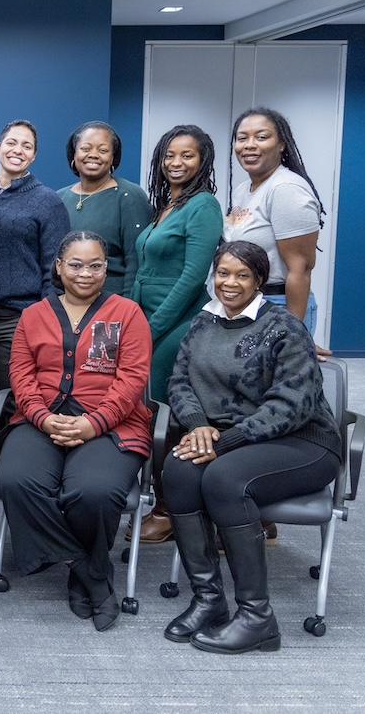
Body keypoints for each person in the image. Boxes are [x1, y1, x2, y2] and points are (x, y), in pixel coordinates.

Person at [162, 240, 340, 654]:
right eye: (223, 273)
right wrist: (199, 427)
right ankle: (209, 601)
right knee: (178, 471)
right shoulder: (203, 323)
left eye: (242, 275)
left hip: (303, 442)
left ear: (259, 281)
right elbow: (180, 382)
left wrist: (223, 442)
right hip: (227, 439)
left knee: (226, 480)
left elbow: (291, 407)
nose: (230, 283)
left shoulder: (284, 328)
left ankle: (258, 618)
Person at [0, 231, 152, 632]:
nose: (86, 273)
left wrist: (91, 424)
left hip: (110, 425)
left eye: (96, 265)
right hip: (41, 420)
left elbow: (132, 379)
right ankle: (88, 570)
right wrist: (43, 418)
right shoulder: (33, 315)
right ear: (60, 267)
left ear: (106, 268)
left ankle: (82, 573)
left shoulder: (128, 313)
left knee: (93, 490)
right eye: (77, 264)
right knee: (16, 480)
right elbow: (21, 375)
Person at [129, 125, 224, 544]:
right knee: (147, 410)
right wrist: (132, 318)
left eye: (187, 155)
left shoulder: (203, 206)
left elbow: (191, 278)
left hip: (178, 320)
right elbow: (145, 270)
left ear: (203, 160)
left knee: (164, 414)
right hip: (147, 317)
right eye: (169, 155)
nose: (176, 163)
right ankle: (160, 499)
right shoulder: (165, 205)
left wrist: (149, 329)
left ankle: (170, 510)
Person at [0, 120, 71, 481]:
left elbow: (57, 266)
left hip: (17, 316)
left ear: (34, 155)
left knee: (10, 397)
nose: (17, 150)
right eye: (11, 143)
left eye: (27, 146)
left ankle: (4, 472)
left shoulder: (46, 201)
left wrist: (44, 318)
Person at [222, 107, 326, 334]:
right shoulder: (242, 190)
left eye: (261, 137)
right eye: (242, 138)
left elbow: (301, 269)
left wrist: (293, 332)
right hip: (246, 303)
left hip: (278, 305)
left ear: (281, 144)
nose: (249, 144)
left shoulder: (286, 189)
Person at [57, 121, 154, 297]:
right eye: (86, 148)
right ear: (74, 153)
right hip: (66, 304)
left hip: (112, 303)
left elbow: (136, 261)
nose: (93, 155)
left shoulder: (129, 196)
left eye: (103, 150)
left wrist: (127, 308)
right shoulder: (58, 198)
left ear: (113, 158)